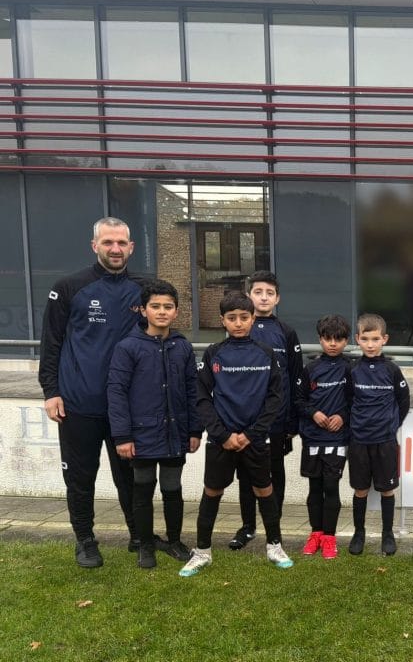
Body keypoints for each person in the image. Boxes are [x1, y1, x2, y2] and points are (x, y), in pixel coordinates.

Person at [38, 217, 144, 568]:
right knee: (80, 478)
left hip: (126, 406)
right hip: (78, 402)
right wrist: (50, 391)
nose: (115, 249)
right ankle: (85, 540)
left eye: (121, 243)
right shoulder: (69, 287)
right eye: (108, 242)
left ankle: (139, 536)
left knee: (130, 477)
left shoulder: (144, 289)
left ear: (131, 247)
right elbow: (51, 343)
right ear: (94, 245)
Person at [179, 292, 293, 577]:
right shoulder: (213, 353)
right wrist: (222, 434)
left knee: (264, 490)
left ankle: (275, 546)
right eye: (232, 318)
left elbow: (275, 398)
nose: (238, 323)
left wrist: (252, 433)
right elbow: (201, 397)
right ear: (223, 321)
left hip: (255, 439)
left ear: (253, 319)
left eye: (244, 317)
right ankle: (202, 552)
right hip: (222, 440)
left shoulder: (266, 353)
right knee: (212, 491)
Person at [107, 280, 202, 569]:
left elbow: (192, 390)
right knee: (143, 489)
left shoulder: (182, 346)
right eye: (155, 306)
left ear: (176, 311)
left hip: (175, 434)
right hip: (142, 434)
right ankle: (145, 544)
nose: (162, 312)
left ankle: (174, 541)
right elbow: (117, 392)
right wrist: (122, 436)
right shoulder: (128, 347)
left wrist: (194, 430)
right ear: (143, 310)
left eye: (168, 307)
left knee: (172, 489)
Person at [228, 271, 303, 551]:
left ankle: (275, 525)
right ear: (249, 295)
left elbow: (296, 377)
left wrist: (292, 420)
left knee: (274, 473)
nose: (263, 298)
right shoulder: (240, 328)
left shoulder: (286, 332)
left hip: (277, 419)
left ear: (277, 299)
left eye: (269, 293)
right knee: (246, 475)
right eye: (258, 292)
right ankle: (247, 527)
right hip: (244, 419)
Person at [346, 313, 410, 557]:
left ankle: (387, 534)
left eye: (375, 339)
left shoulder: (392, 370)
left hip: (385, 441)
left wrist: (392, 425)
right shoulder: (352, 370)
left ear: (385, 339)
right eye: (365, 339)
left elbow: (403, 401)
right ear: (357, 339)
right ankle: (359, 534)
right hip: (359, 440)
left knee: (387, 489)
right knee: (360, 489)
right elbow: (347, 401)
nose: (370, 345)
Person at [297, 314, 351, 560]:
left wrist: (343, 416)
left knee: (331, 487)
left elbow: (357, 401)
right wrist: (314, 413)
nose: (332, 344)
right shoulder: (310, 369)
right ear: (320, 339)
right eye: (328, 339)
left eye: (338, 339)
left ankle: (330, 537)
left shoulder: (351, 369)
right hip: (312, 437)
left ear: (346, 341)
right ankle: (315, 533)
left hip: (337, 439)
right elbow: (298, 400)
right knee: (314, 488)